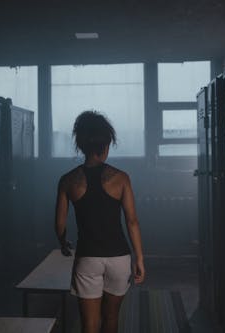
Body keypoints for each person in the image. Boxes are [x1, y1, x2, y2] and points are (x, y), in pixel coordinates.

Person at [54, 110, 145, 333]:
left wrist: (63, 243)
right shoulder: (121, 178)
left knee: (89, 325)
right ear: (106, 144)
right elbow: (132, 221)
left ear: (81, 145)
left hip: (87, 258)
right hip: (119, 258)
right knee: (111, 319)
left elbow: (60, 224)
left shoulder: (67, 181)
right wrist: (139, 258)